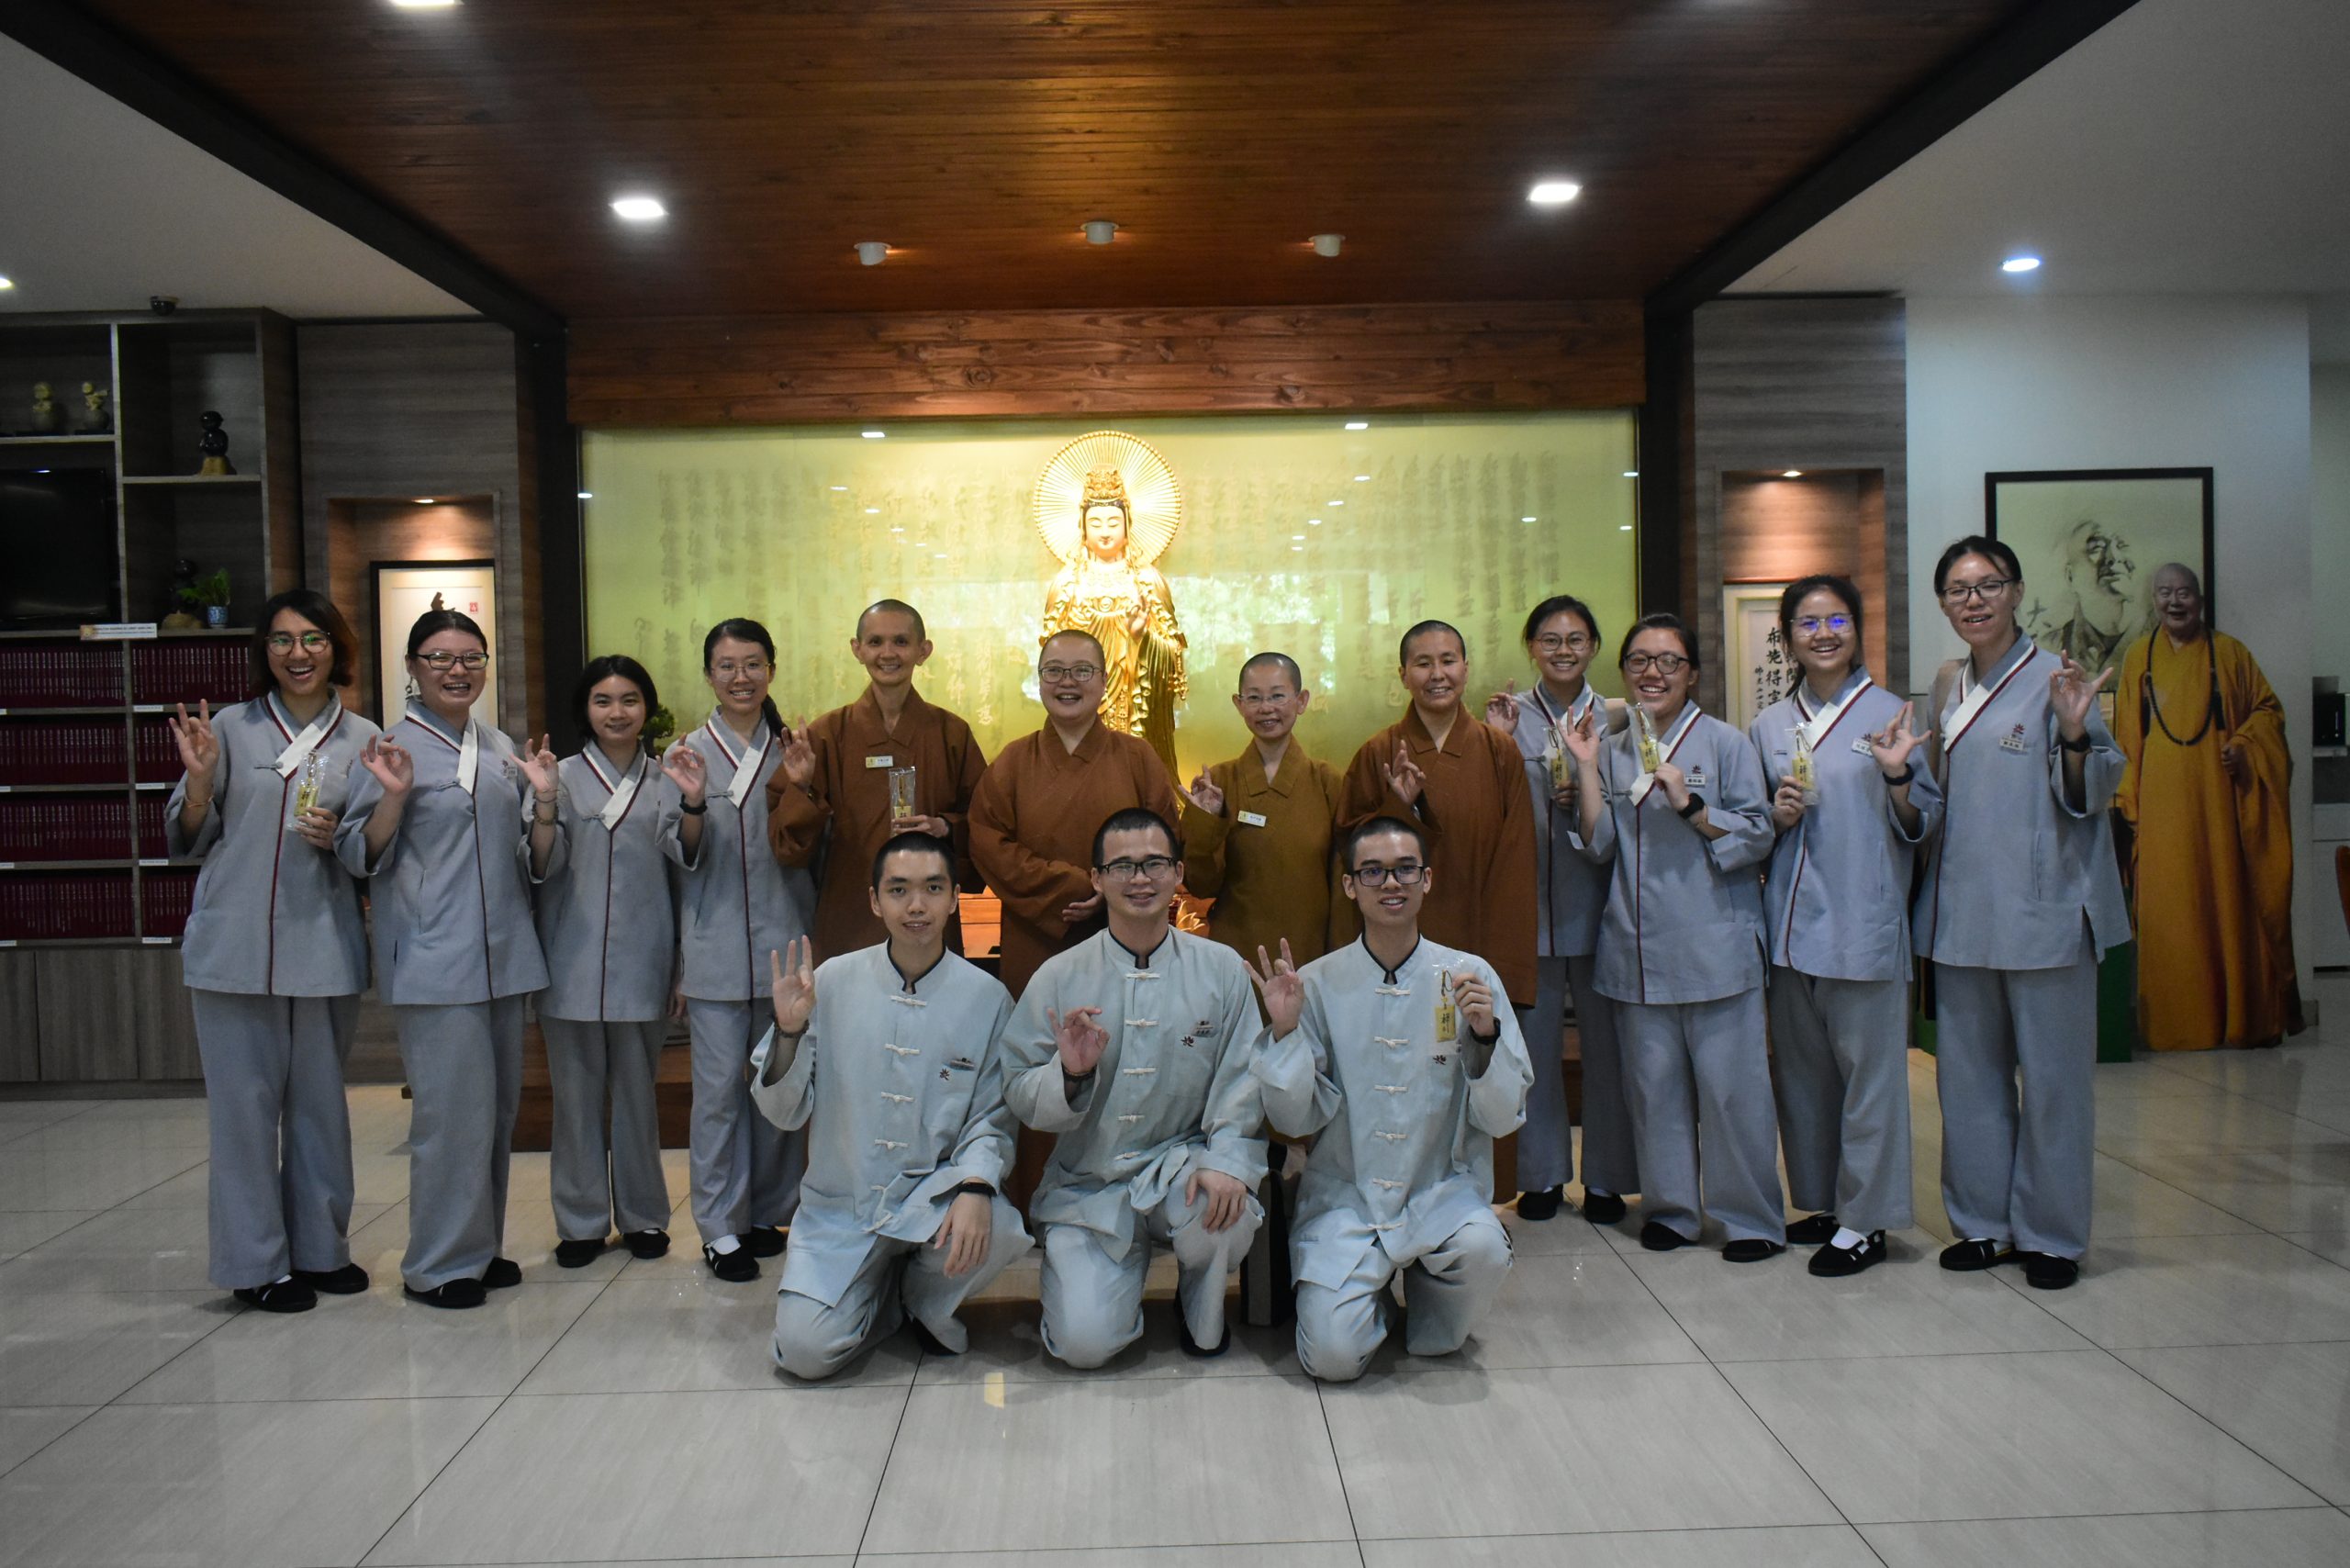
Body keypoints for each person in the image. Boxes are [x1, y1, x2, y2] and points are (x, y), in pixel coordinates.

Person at [1247, 816, 1531, 1381]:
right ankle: (1367, 1294)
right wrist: (1285, 1032)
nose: (1391, 884)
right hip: (1347, 1196)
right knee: (1332, 1359)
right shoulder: (1318, 982)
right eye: (1373, 872)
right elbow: (1294, 1117)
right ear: (1350, 885)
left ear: (1427, 879)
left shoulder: (1470, 976)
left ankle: (1431, 1300)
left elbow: (1502, 1118)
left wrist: (1483, 1038)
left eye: (1405, 870)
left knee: (1482, 1252)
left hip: (1440, 1190)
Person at [1918, 536, 2131, 1291]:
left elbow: (2096, 787)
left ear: (2015, 591)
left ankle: (2052, 1236)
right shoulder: (1948, 687)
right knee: (1968, 1082)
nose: (1973, 600)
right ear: (1943, 603)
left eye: (1988, 585)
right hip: (1962, 915)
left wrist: (2073, 730)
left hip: (2046, 911)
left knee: (2054, 1085)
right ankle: (1983, 1225)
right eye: (1958, 589)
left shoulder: (2057, 679)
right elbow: (1933, 796)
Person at [337, 609, 560, 1308]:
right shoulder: (388, 749)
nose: (457, 670)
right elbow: (355, 852)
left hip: (503, 955)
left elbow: (527, 854)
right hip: (435, 957)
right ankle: (436, 1265)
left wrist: (545, 802)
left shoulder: (497, 746)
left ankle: (478, 1248)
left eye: (470, 658)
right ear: (412, 667)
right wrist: (393, 799)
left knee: (493, 1115)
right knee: (449, 1119)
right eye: (439, 658)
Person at [166, 589, 380, 1313]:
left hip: (322, 945)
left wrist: (340, 838)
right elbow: (188, 836)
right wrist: (199, 783)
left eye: (313, 638)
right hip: (233, 950)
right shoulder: (228, 727)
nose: (298, 653)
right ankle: (255, 1263)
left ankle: (320, 1250)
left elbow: (371, 852)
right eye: (283, 640)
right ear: (265, 651)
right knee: (245, 1115)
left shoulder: (364, 739)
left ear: (336, 647)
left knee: (320, 1109)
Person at [748, 834, 1031, 1379]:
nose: (916, 906)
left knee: (998, 1224)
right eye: (899, 890)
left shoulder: (987, 997)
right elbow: (784, 1110)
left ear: (955, 898)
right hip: (843, 1205)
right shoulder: (831, 982)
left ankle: (921, 1299)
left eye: (933, 889)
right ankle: (876, 1299)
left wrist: (975, 1186)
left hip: (930, 1198)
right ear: (875, 901)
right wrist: (789, 1031)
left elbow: (992, 1118)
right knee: (805, 1354)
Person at [1001, 807, 1266, 1367]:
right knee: (1084, 1345)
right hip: (1089, 1184)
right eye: (1122, 866)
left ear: (1178, 873)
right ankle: (1108, 1285)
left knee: (1227, 1207)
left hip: (1183, 1168)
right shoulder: (1060, 975)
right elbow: (1019, 1087)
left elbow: (1243, 1078)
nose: (1139, 879)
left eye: (1154, 864)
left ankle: (1200, 1307)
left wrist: (1227, 1161)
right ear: (1096, 879)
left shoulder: (1221, 968)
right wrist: (1070, 1075)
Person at [1561, 612, 1784, 1261]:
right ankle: (1672, 1210)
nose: (1652, 673)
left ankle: (1750, 1219)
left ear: (1692, 674)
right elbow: (1600, 845)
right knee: (1654, 1092)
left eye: (1668, 661)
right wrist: (1585, 768)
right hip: (1636, 949)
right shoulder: (1613, 746)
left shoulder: (1725, 744)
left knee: (1733, 1096)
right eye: (1639, 661)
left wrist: (1692, 806)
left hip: (1716, 948)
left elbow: (1757, 833)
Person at [1749, 577, 1941, 1276]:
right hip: (1790, 928)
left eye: (1837, 620)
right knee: (1805, 1080)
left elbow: (1923, 822)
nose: (1823, 633)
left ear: (1858, 629)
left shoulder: (1893, 716)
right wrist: (1775, 817)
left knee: (1871, 1083)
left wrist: (1897, 778)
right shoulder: (1769, 725)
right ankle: (1827, 1202)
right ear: (1788, 637)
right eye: (1808, 622)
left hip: (1863, 924)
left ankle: (1867, 1220)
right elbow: (1753, 827)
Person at [533, 655, 699, 1268]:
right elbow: (539, 865)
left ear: (647, 708)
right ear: (586, 709)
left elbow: (686, 873)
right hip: (568, 960)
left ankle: (644, 1217)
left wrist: (680, 965)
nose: (617, 712)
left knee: (636, 1097)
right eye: (603, 700)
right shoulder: (557, 776)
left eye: (629, 699)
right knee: (575, 1102)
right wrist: (543, 803)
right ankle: (580, 1224)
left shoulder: (667, 780)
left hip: (645, 960)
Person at [1484, 594, 1638, 1224]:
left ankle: (1607, 1179)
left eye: (1576, 639)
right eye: (1550, 639)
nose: (1564, 650)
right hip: (1530, 913)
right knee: (1534, 1053)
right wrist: (1495, 743)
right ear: (1531, 648)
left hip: (1603, 908)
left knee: (1609, 1053)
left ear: (1594, 647)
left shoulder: (1619, 719)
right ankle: (1541, 1176)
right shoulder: (1507, 716)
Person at [673, 618, 815, 1282]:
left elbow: (815, 844)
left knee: (780, 1084)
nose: (741, 677)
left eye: (753, 664)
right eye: (727, 666)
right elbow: (677, 854)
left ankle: (768, 1210)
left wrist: (806, 785)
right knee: (719, 1097)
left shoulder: (794, 750)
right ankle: (720, 1226)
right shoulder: (686, 753)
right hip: (715, 951)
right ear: (709, 675)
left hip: (787, 946)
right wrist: (692, 804)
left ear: (771, 671)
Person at [2113, 563, 2300, 1050]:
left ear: (2200, 599)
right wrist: (2127, 804)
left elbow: (2268, 712)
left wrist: (2243, 747)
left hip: (2219, 807)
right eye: (2165, 593)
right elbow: (2127, 740)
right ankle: (2175, 1027)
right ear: (2153, 600)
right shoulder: (2139, 657)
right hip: (2160, 807)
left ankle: (2235, 1020)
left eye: (2184, 593)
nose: (2175, 602)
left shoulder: (2231, 653)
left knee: (2225, 905)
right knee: (2171, 911)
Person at [767, 599, 989, 958]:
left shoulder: (952, 733)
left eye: (901, 641)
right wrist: (802, 787)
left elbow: (986, 823)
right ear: (857, 650)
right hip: (851, 909)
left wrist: (946, 827)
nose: (888, 653)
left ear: (923, 650)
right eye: (875, 642)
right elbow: (787, 847)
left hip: (930, 911)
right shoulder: (827, 734)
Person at [1338, 621, 1537, 1020]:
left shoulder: (1500, 752)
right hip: (1396, 945)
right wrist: (1397, 806)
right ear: (1403, 675)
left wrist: (1506, 968)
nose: (1437, 674)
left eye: (1448, 661)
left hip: (1478, 937)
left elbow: (1516, 864)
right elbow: (1350, 852)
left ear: (1466, 668)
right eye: (1423, 664)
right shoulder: (1377, 752)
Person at [968, 630, 1181, 997]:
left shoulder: (1138, 758)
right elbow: (987, 843)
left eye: (1082, 671)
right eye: (1054, 671)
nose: (1067, 682)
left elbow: (1167, 844)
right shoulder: (1013, 761)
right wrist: (1074, 887)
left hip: (1124, 934)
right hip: (1036, 940)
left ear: (1104, 680)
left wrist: (1111, 889)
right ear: (1039, 681)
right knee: (1042, 1026)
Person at [1179, 651, 1351, 971]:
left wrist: (1341, 959)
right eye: (1254, 698)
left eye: (1277, 696)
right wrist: (1206, 820)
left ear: (1301, 701)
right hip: (1236, 952)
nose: (1266, 708)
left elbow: (1344, 885)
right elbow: (1201, 885)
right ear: (1239, 704)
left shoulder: (1327, 782)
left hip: (1311, 952)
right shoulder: (1219, 781)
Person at [1040, 466, 1189, 777]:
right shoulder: (1067, 583)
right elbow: (1050, 651)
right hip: (1080, 695)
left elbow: (1173, 653)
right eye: (1095, 522)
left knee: (1133, 767)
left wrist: (1143, 638)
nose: (1105, 531)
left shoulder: (1147, 580)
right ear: (1083, 527)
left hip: (1133, 699)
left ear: (1127, 524)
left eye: (1113, 522)